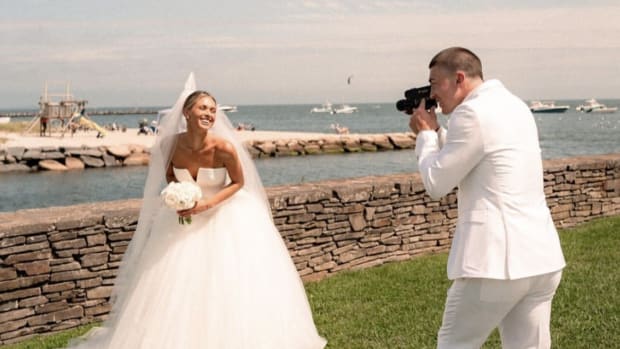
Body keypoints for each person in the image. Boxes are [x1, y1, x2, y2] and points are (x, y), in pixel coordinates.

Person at [67, 73, 326, 349]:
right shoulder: (170, 144)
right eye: (203, 108)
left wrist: (206, 204)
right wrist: (179, 196)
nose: (209, 114)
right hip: (183, 217)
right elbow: (169, 174)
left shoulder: (223, 147)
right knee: (172, 283)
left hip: (226, 217)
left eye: (213, 110)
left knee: (227, 282)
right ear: (187, 112)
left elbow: (239, 182)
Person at [408, 47, 565, 348]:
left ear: (459, 78)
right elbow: (474, 156)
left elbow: (437, 183)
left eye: (434, 83)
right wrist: (439, 131)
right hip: (541, 259)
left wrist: (426, 136)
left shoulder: (472, 112)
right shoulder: (514, 105)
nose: (432, 93)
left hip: (496, 264)